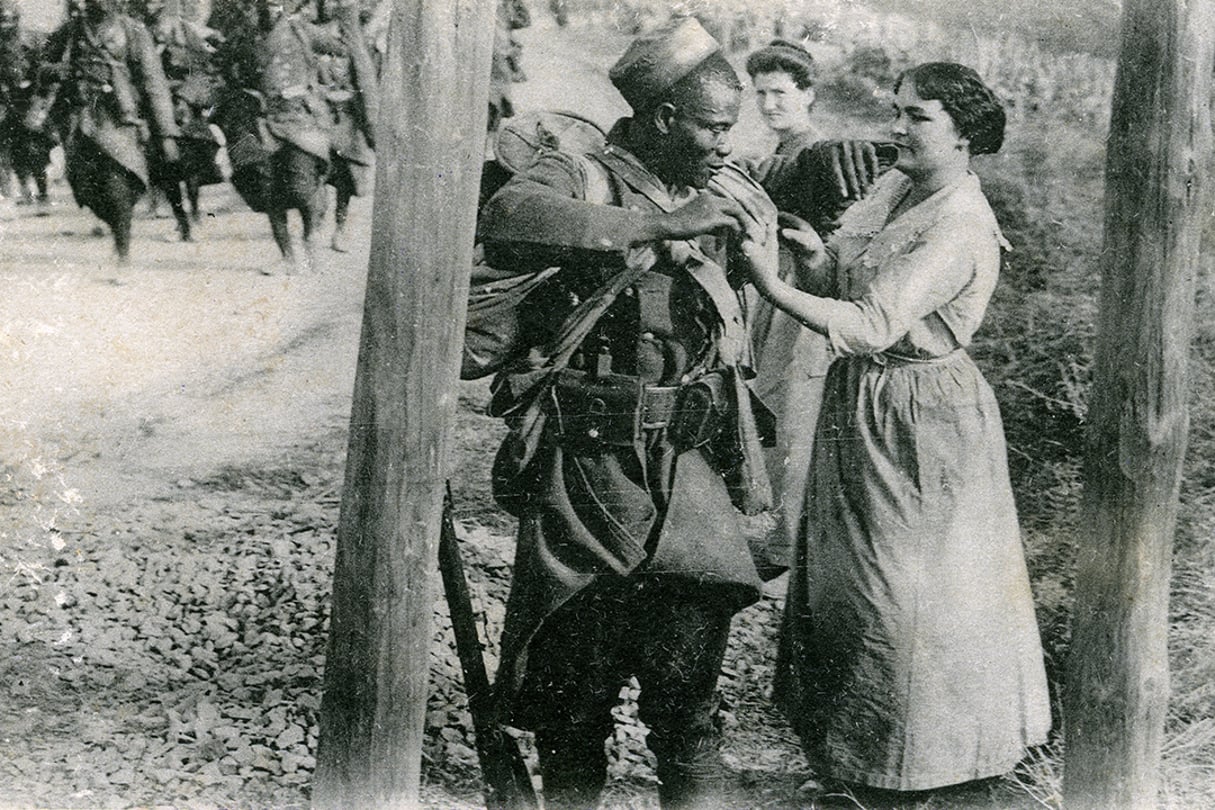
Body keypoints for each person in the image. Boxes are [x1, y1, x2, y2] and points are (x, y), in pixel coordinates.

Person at [479, 17, 783, 809]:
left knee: (689, 711)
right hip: (585, 471)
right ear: (661, 120)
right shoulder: (579, 174)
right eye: (713, 126)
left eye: (731, 127)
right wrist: (658, 225)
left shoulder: (722, 187)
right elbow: (510, 217)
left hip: (688, 472)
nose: (725, 143)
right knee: (571, 712)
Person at [742, 62, 1052, 795]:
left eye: (917, 116)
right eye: (897, 111)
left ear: (964, 135)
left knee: (904, 591)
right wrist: (815, 259)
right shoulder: (895, 189)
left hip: (920, 413)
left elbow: (872, 324)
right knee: (846, 581)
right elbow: (848, 286)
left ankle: (919, 768)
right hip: (863, 402)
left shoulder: (959, 223)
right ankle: (851, 758)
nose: (896, 127)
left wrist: (769, 282)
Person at [742, 38, 840, 572]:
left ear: (807, 94)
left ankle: (784, 536)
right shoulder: (774, 149)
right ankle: (770, 519)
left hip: (794, 288)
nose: (770, 104)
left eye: (780, 93)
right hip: (765, 282)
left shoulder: (817, 154)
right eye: (761, 94)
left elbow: (826, 234)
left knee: (782, 398)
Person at [38, 0, 181, 262]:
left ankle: (123, 253)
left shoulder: (133, 31)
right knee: (86, 188)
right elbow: (43, 67)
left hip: (120, 120)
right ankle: (116, 230)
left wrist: (166, 133)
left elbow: (154, 83)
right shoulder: (70, 31)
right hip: (80, 123)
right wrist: (58, 70)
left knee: (118, 185)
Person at [313, 0, 376, 253]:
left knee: (345, 180)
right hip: (320, 116)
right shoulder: (314, 35)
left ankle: (340, 228)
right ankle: (314, 227)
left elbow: (365, 80)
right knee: (315, 174)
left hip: (346, 120)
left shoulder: (357, 43)